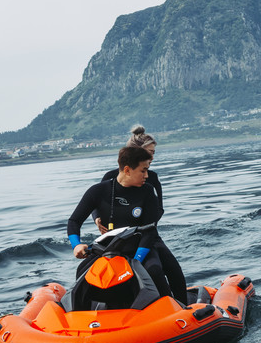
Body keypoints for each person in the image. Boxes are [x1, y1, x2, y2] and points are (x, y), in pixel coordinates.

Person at [92, 125, 188, 304]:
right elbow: (96, 203)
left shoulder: (152, 178)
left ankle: (182, 307)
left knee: (173, 270)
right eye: (150, 152)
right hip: (118, 239)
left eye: (154, 153)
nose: (152, 157)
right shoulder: (110, 177)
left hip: (148, 235)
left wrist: (146, 222)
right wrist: (97, 218)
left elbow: (159, 209)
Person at [67, 146, 173, 299]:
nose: (146, 175)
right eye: (143, 171)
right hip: (110, 249)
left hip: (140, 247)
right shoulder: (98, 191)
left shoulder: (148, 191)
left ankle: (175, 308)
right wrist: (76, 244)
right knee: (83, 271)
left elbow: (149, 231)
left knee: (155, 270)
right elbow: (74, 221)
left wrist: (137, 260)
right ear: (128, 170)